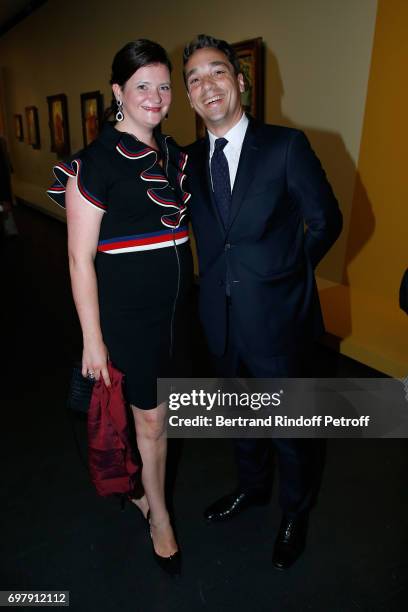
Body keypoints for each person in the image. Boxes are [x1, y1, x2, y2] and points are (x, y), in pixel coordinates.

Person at [183, 34, 343, 570]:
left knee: (291, 431)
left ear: (240, 81)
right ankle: (251, 490)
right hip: (219, 323)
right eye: (195, 78)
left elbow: (326, 221)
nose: (208, 85)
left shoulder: (285, 146)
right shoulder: (182, 162)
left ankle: (294, 512)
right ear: (188, 95)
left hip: (279, 321)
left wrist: (287, 275)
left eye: (218, 72)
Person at [48, 39, 194, 575]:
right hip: (129, 319)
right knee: (151, 422)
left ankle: (141, 489)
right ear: (118, 92)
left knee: (162, 417)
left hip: (178, 314)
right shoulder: (94, 163)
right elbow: (78, 260)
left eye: (162, 86)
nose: (154, 97)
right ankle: (159, 517)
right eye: (141, 87)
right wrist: (93, 339)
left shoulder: (176, 155)